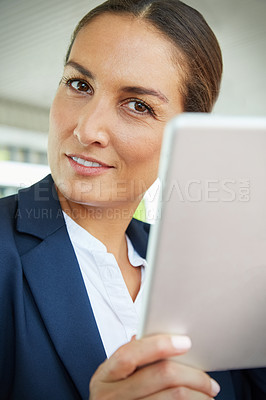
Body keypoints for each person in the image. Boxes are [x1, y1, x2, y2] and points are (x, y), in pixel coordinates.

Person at [0, 0, 265, 399]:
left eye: (138, 105)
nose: (87, 128)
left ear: (186, 136)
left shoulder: (207, 268)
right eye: (79, 84)